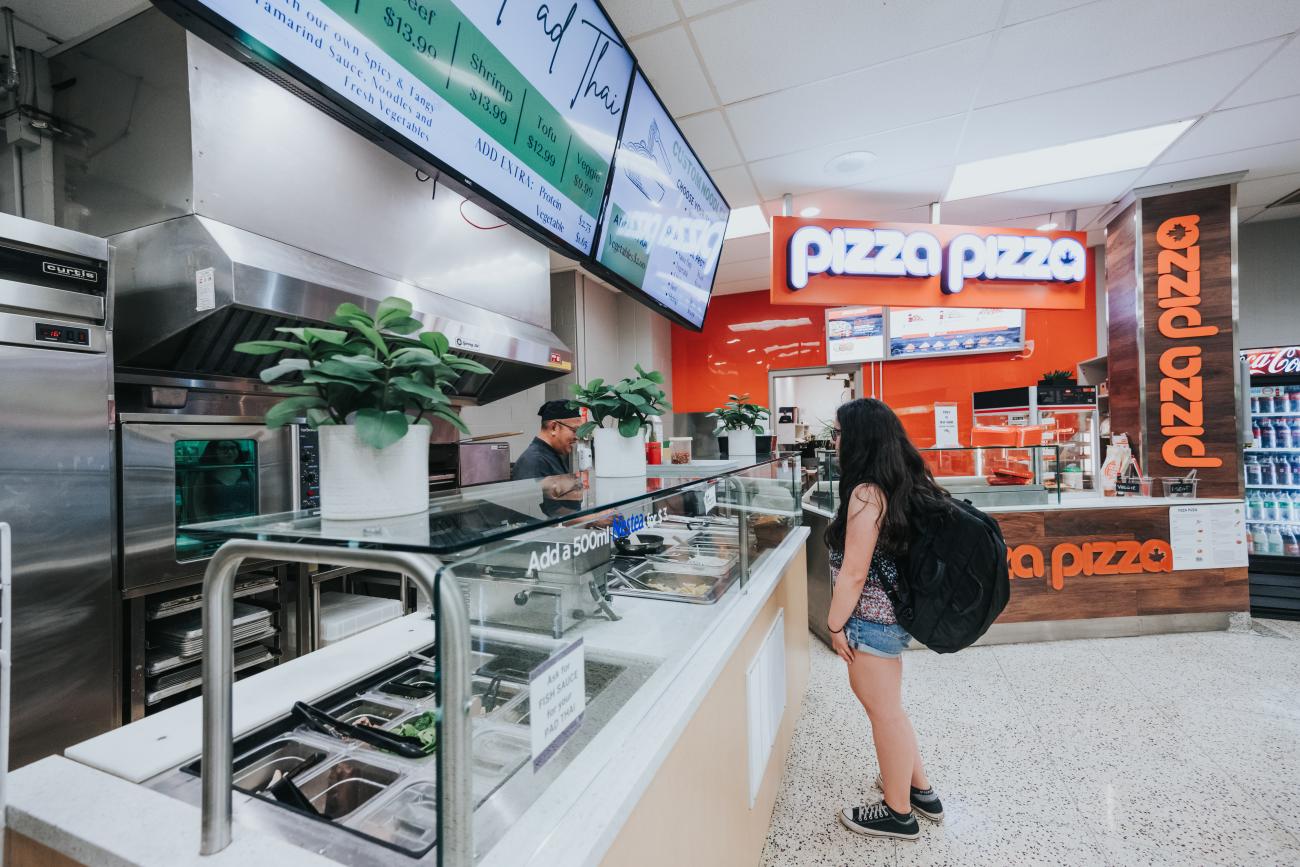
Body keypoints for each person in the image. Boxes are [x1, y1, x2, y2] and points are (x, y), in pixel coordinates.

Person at [825, 398, 950, 841]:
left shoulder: (865, 493)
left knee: (885, 714)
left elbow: (855, 571)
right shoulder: (896, 483)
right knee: (891, 710)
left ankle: (899, 814)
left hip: (870, 622)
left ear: (859, 438)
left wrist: (836, 624)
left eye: (839, 433)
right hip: (888, 619)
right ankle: (920, 791)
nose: (834, 441)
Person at [511, 400, 584, 480]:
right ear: (553, 428)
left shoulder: (551, 455)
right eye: (574, 430)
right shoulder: (535, 462)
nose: (577, 437)